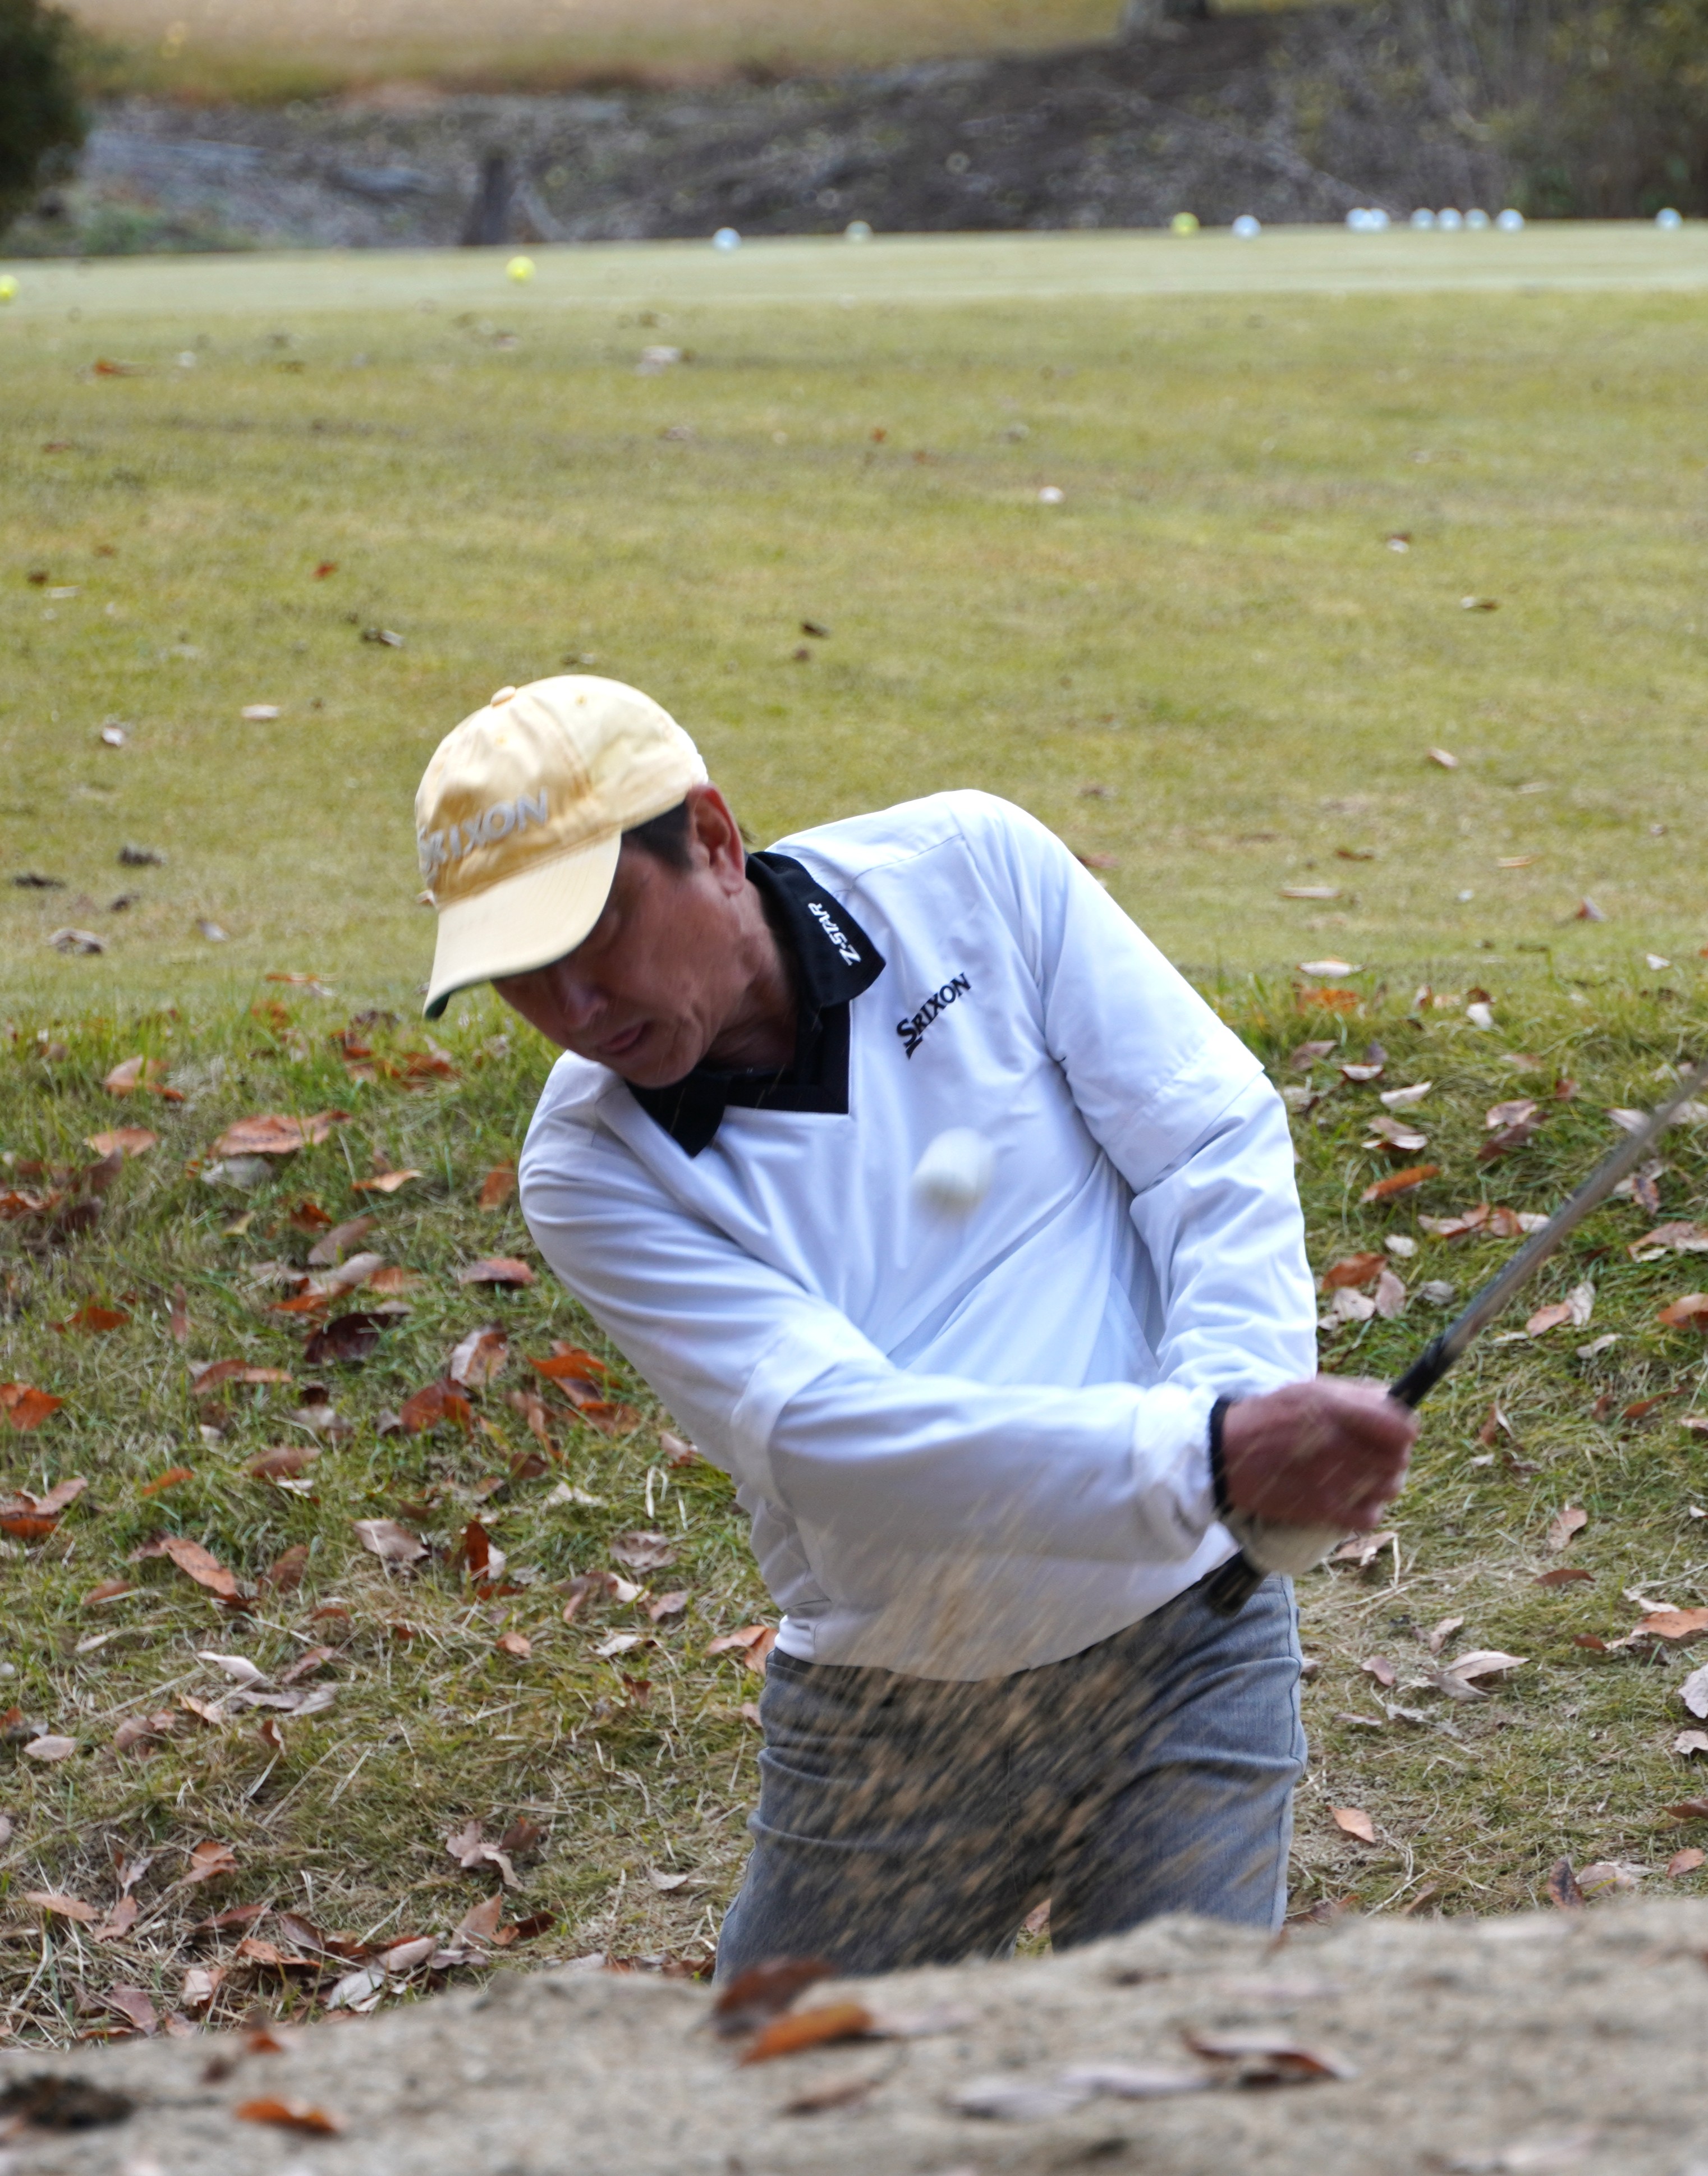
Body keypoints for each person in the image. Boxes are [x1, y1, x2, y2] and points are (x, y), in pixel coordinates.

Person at [412, 674, 1415, 1975]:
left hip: (1192, 1640)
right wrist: (1204, 1455)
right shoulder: (590, 1167)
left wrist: (1233, 1419)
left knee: (1178, 2089)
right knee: (782, 2113)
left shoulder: (970, 869)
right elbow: (824, 1430)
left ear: (711, 841)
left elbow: (1205, 1143)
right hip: (896, 1710)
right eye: (519, 977)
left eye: (597, 933)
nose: (575, 1009)